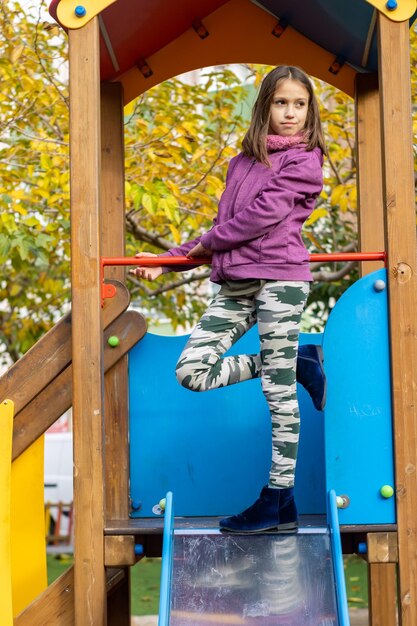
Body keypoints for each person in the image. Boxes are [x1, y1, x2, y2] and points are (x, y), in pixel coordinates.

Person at [131, 65, 326, 533]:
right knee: (191, 372)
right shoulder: (241, 163)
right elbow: (226, 234)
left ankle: (278, 501)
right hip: (237, 284)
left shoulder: (305, 161)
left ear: (309, 110)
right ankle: (297, 364)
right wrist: (169, 259)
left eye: (299, 104)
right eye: (281, 103)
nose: (291, 113)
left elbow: (261, 218)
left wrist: (197, 247)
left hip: (280, 280)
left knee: (278, 398)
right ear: (265, 107)